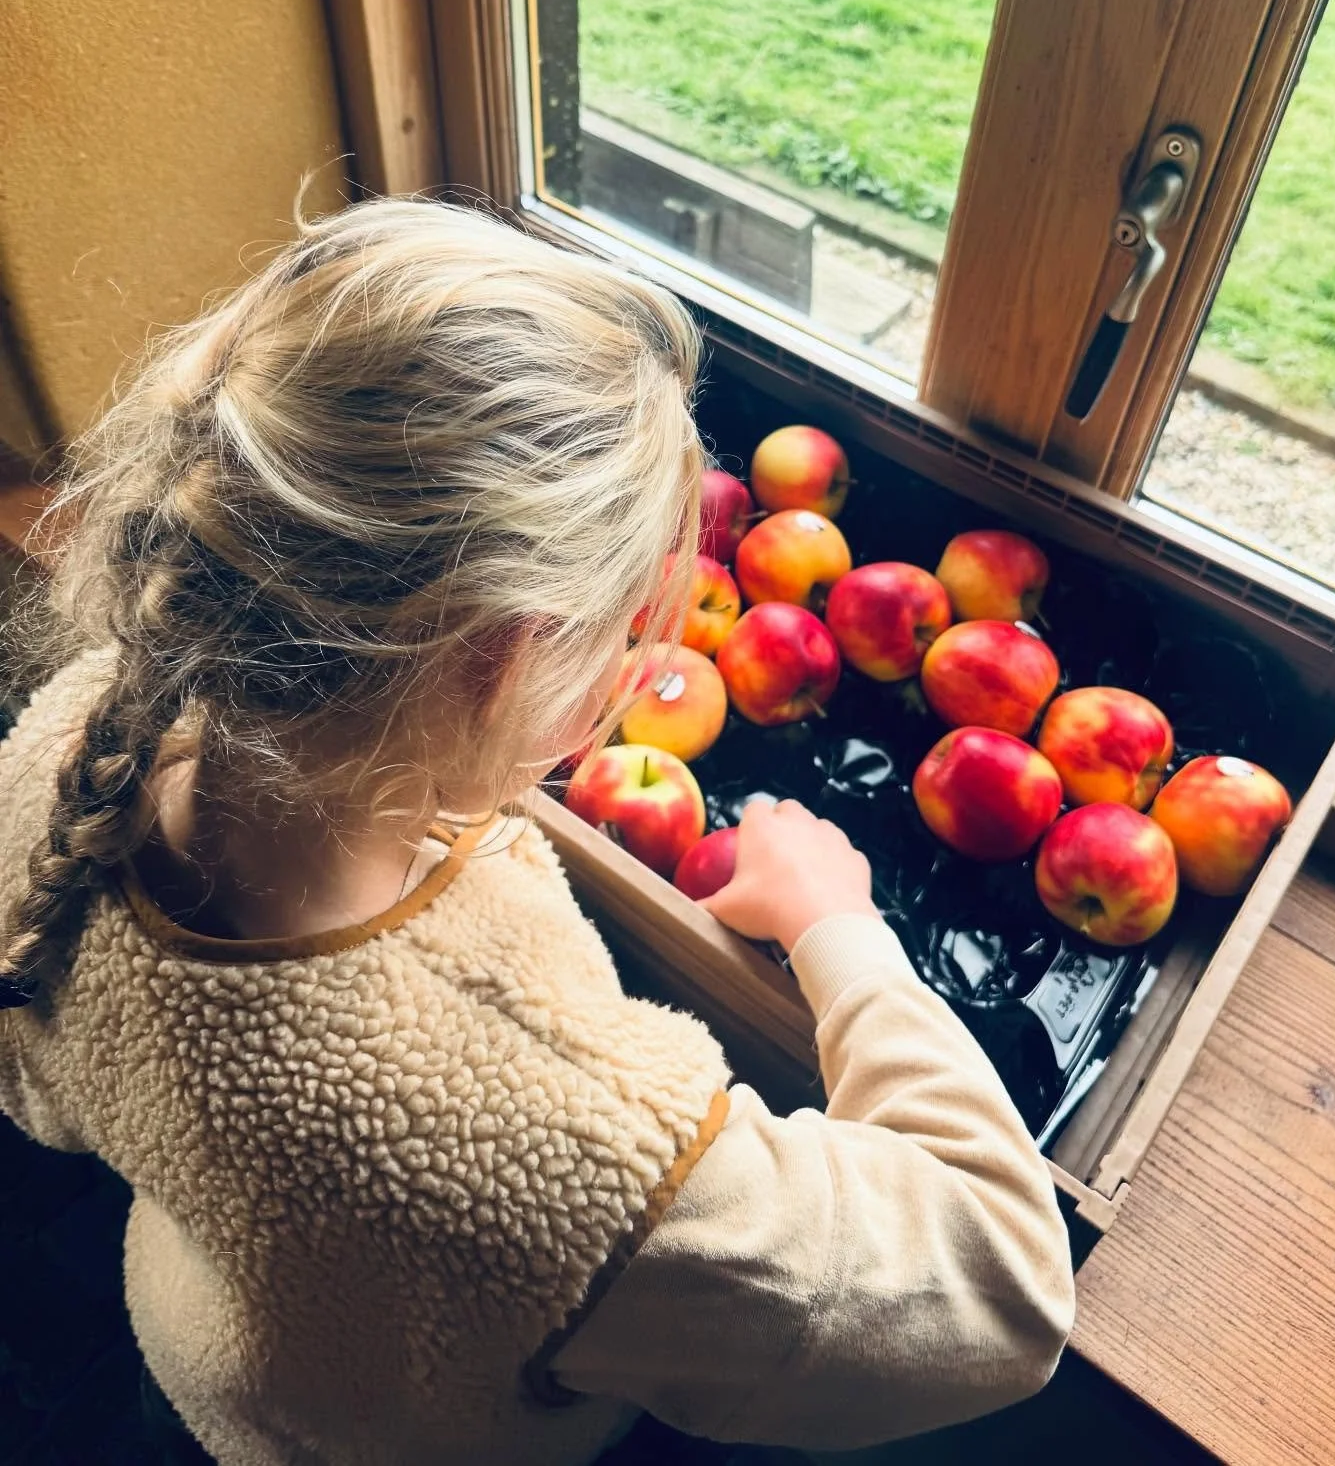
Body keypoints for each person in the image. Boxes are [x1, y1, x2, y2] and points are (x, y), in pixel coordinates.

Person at [0, 199, 1074, 1466]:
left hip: (202, 1360)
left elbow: (46, 1096)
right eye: (616, 628)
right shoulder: (568, 1159)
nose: (635, 658)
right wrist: (844, 932)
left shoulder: (75, 739)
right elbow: (1003, 1287)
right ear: (498, 663)